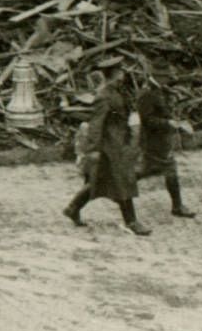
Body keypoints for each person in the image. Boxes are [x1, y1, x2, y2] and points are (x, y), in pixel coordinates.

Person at [64, 89, 149, 235]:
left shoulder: (117, 92)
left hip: (116, 144)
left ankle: (73, 208)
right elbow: (96, 124)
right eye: (120, 71)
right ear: (115, 72)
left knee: (100, 181)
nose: (123, 74)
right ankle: (131, 221)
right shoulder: (105, 96)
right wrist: (94, 149)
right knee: (122, 179)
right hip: (108, 147)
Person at [135, 88, 197, 220]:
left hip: (162, 141)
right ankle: (115, 186)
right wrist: (168, 123)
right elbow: (146, 120)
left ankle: (177, 206)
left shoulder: (162, 91)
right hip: (152, 142)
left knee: (168, 170)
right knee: (143, 171)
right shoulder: (147, 94)